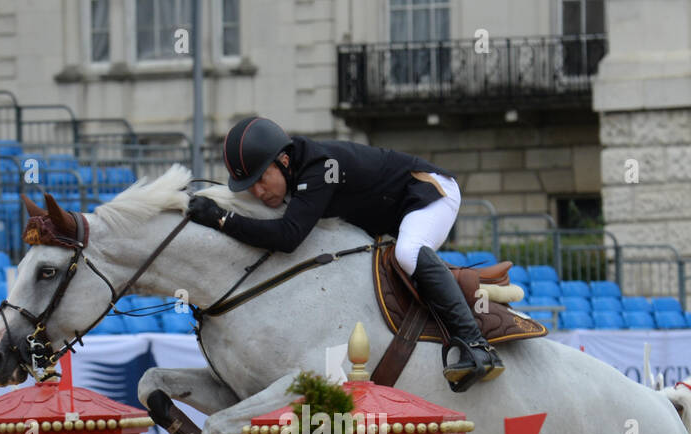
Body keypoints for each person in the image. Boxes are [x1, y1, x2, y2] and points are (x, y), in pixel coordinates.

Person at [187, 116, 504, 392]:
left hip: (429, 194)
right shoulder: (296, 175)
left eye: (260, 179)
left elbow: (287, 238)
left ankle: (476, 345)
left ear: (283, 161)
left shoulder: (320, 168)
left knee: (408, 253)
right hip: (391, 215)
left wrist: (221, 219)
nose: (258, 192)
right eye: (249, 186)